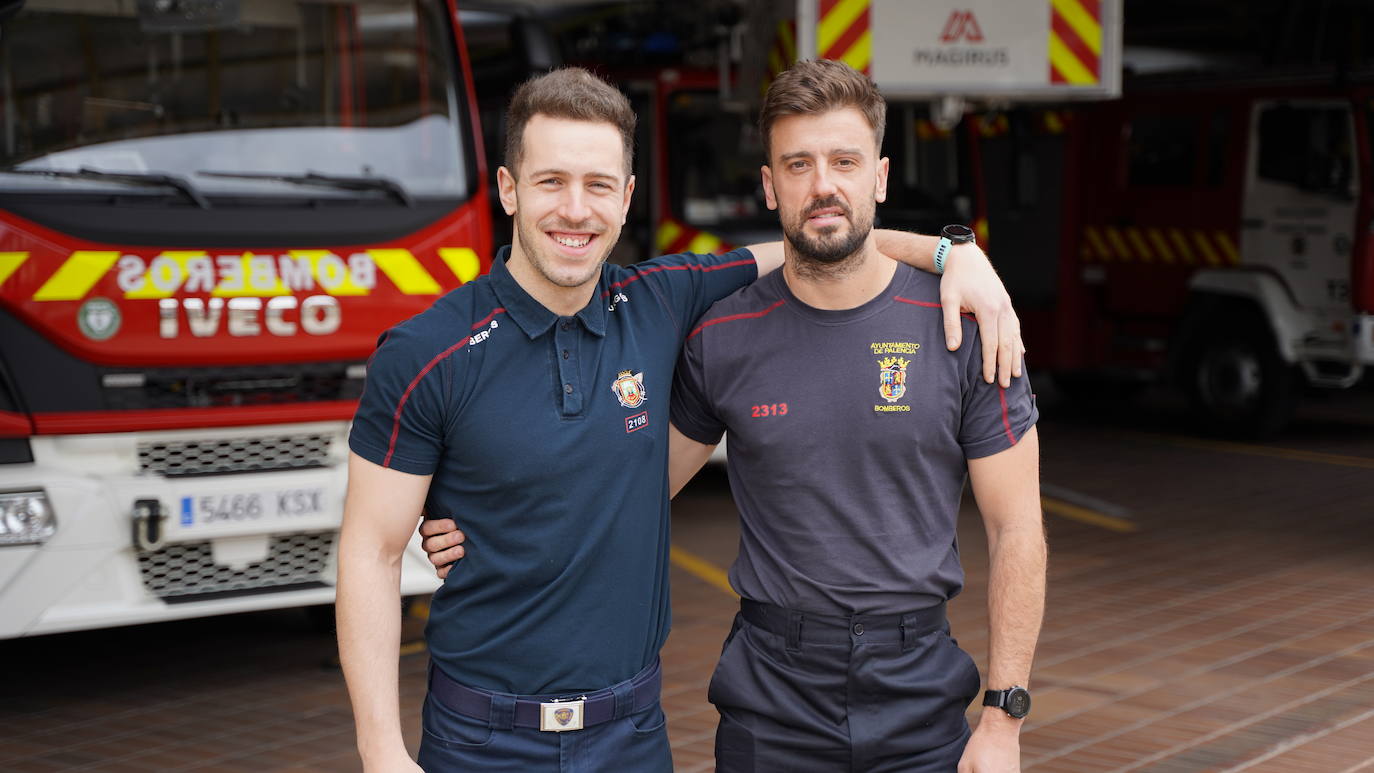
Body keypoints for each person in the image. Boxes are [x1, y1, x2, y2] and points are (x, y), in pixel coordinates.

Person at [341, 66, 1022, 773]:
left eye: (599, 184)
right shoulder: (426, 351)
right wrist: (381, 750)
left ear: (627, 198)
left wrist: (952, 253)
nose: (575, 209)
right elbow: (370, 551)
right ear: (509, 188)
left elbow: (820, 239)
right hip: (480, 735)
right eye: (550, 182)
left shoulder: (662, 300)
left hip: (630, 734)